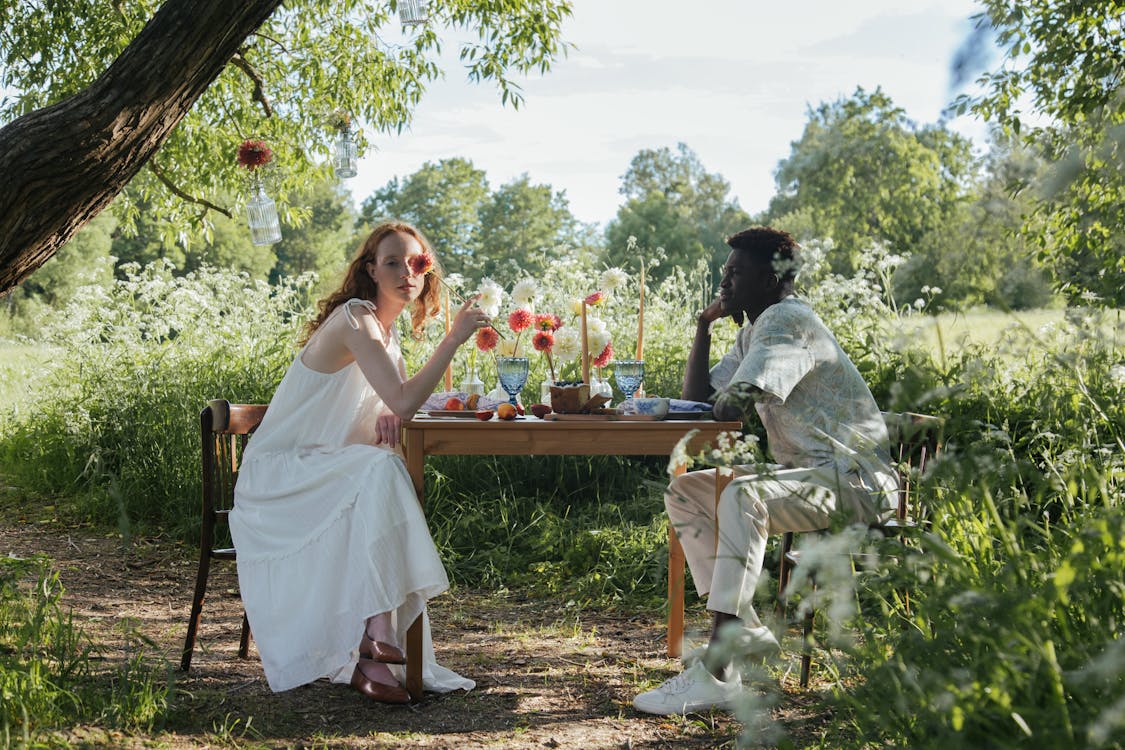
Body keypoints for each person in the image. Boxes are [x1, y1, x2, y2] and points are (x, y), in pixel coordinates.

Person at [633, 226, 898, 716]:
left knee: (741, 496)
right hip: (809, 479)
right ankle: (747, 626)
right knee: (687, 489)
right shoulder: (756, 328)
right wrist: (701, 326)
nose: (723, 284)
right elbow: (698, 401)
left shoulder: (786, 321)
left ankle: (720, 664)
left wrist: (719, 401)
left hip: (853, 480)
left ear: (773, 277)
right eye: (723, 274)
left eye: (735, 273)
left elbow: (731, 403)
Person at [229, 221, 490, 703]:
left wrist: (391, 409)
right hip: (282, 474)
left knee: (381, 472)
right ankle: (375, 634)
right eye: (392, 261)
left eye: (415, 263)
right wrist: (452, 340)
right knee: (382, 470)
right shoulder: (355, 318)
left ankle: (372, 651)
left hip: (329, 467)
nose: (405, 272)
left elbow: (397, 405)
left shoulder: (387, 339)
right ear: (370, 270)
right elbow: (405, 401)